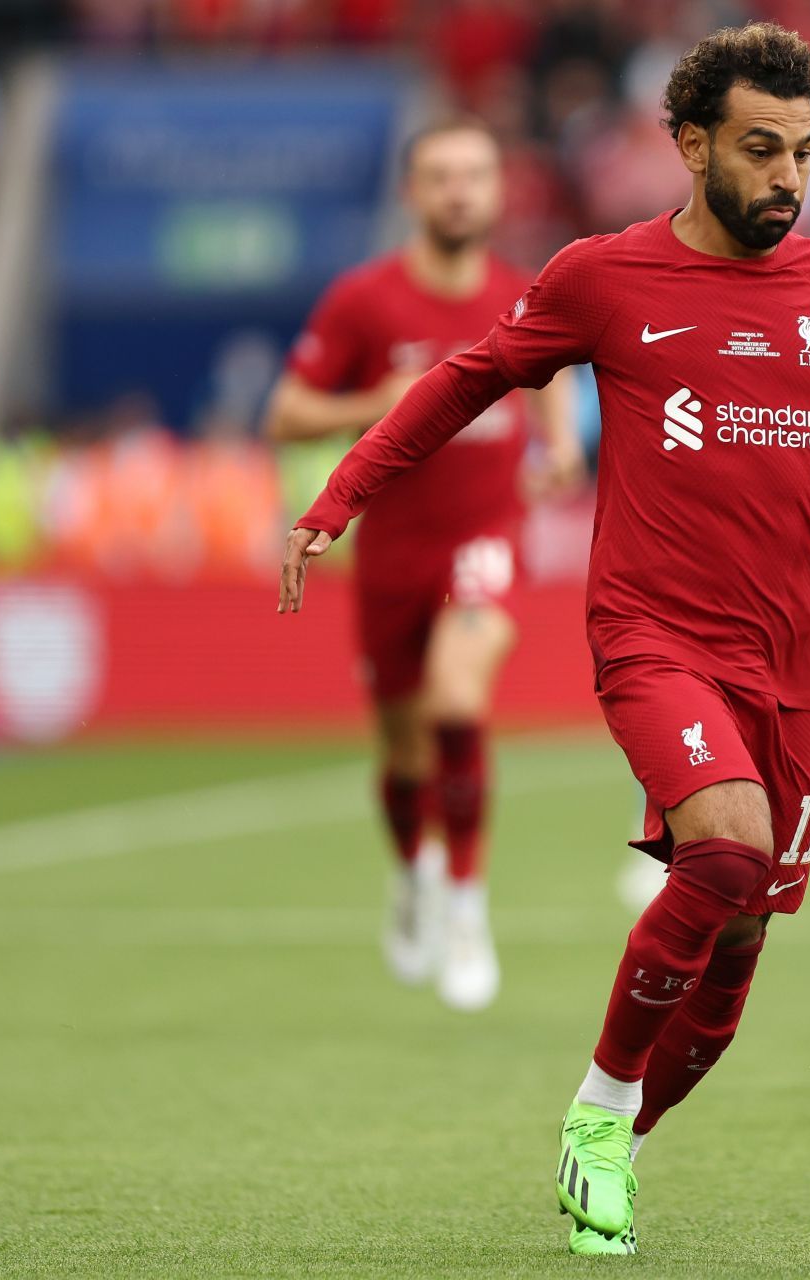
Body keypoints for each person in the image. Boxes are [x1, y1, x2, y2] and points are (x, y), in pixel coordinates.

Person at [278, 22, 810, 1257]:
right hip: (652, 633)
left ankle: (610, 1130)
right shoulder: (602, 278)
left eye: (803, 154)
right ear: (689, 144)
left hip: (799, 666)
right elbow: (466, 381)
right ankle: (603, 1105)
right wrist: (338, 495)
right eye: (760, 149)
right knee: (722, 856)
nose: (786, 176)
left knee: (734, 961)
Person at [264, 119, 582, 1013]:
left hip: (486, 538)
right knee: (404, 751)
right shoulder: (365, 302)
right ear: (412, 191)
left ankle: (469, 909)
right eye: (439, 176)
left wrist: (558, 444)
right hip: (392, 554)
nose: (457, 191)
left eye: (474, 175)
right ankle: (413, 874)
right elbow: (284, 412)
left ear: (496, 190)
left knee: (457, 696)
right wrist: (381, 401)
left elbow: (549, 372)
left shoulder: (527, 294)